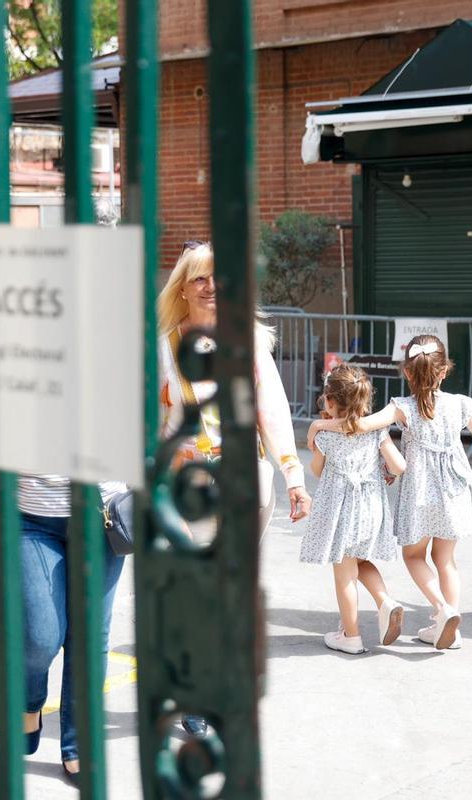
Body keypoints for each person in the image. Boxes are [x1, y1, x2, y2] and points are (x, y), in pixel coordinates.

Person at [156, 239, 310, 734]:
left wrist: (292, 474)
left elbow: (273, 412)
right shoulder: (162, 346)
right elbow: (151, 417)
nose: (209, 287)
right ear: (182, 286)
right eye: (198, 277)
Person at [314, 335, 472, 650]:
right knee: (446, 560)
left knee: (413, 556)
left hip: (421, 494)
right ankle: (447, 628)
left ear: (407, 372)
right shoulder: (461, 404)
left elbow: (360, 425)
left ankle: (442, 609)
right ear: (444, 371)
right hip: (455, 491)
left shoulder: (402, 408)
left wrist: (318, 427)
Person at [0, 467, 126, 783]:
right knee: (40, 637)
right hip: (29, 517)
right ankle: (28, 702)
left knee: (90, 637)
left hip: (103, 513)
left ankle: (79, 746)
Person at [299, 366, 406, 655]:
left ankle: (351, 636)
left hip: (340, 510)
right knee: (358, 562)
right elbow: (399, 466)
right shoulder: (376, 431)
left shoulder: (325, 436)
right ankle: (386, 601)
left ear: (331, 401)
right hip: (371, 507)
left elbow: (318, 471)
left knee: (344, 574)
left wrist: (317, 448)